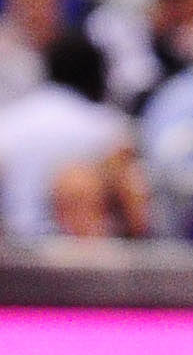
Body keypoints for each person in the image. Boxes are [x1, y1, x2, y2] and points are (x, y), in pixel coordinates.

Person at [0, 30, 129, 238]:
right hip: (75, 254)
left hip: (19, 249)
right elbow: (131, 208)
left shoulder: (8, 122)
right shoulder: (106, 127)